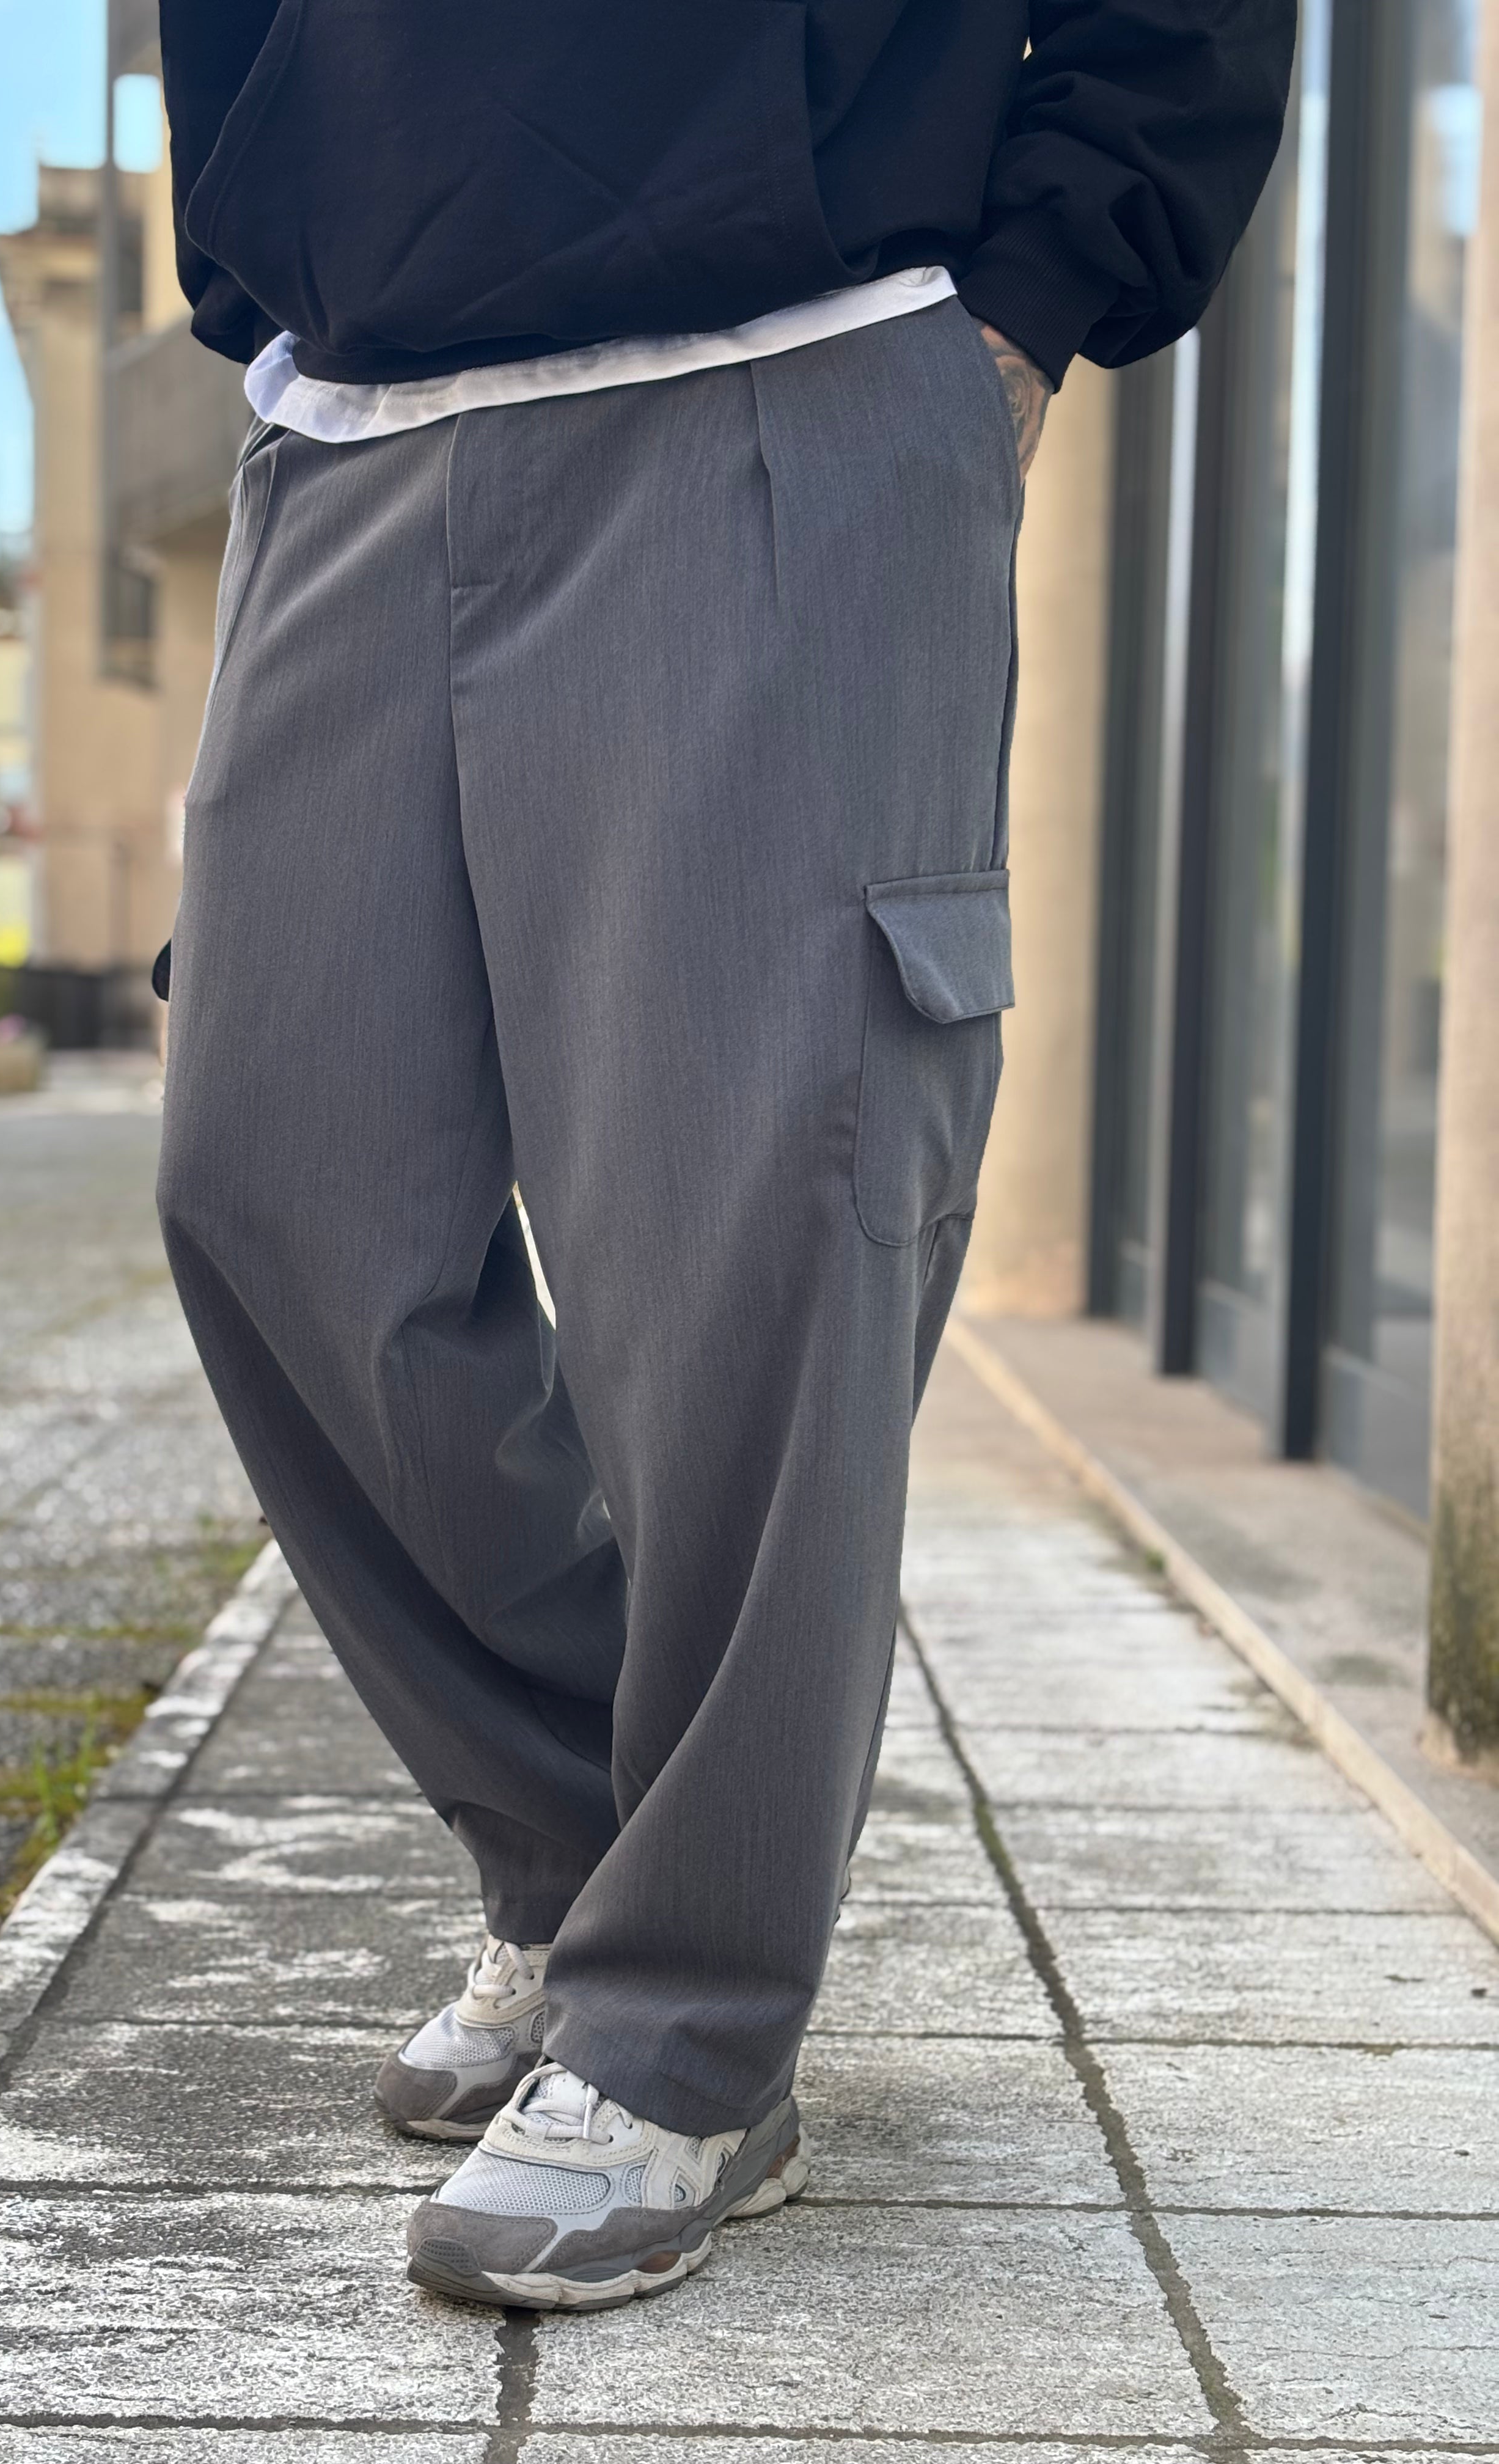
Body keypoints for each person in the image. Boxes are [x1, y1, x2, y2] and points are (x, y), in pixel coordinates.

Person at [153, 0, 1294, 2312]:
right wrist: (261, 240)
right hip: (356, 419)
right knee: (275, 1180)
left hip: (793, 360)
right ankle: (588, 1861)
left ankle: (688, 2025)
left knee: (757, 1227)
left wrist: (1028, 300)